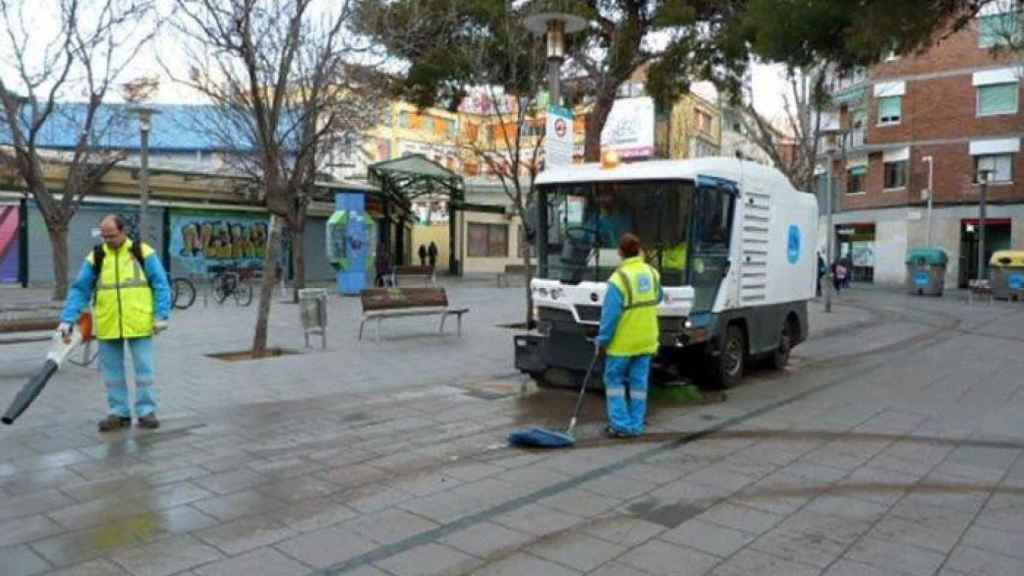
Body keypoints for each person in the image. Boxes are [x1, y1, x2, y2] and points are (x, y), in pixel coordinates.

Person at [59, 215, 171, 431]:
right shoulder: (97, 256)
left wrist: (162, 315)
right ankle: (119, 413)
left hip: (139, 321)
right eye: (104, 236)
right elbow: (80, 289)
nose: (108, 240)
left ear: (123, 231)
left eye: (112, 235)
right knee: (112, 374)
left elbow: (160, 283)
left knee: (144, 371)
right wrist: (67, 319)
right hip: (109, 322)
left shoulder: (142, 252)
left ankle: (147, 412)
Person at [596, 234, 662, 438]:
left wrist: (602, 341)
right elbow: (658, 297)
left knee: (614, 382)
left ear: (620, 252)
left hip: (622, 343)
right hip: (647, 340)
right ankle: (636, 424)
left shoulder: (619, 279)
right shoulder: (652, 273)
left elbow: (610, 316)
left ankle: (621, 426)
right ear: (639, 250)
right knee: (639, 385)